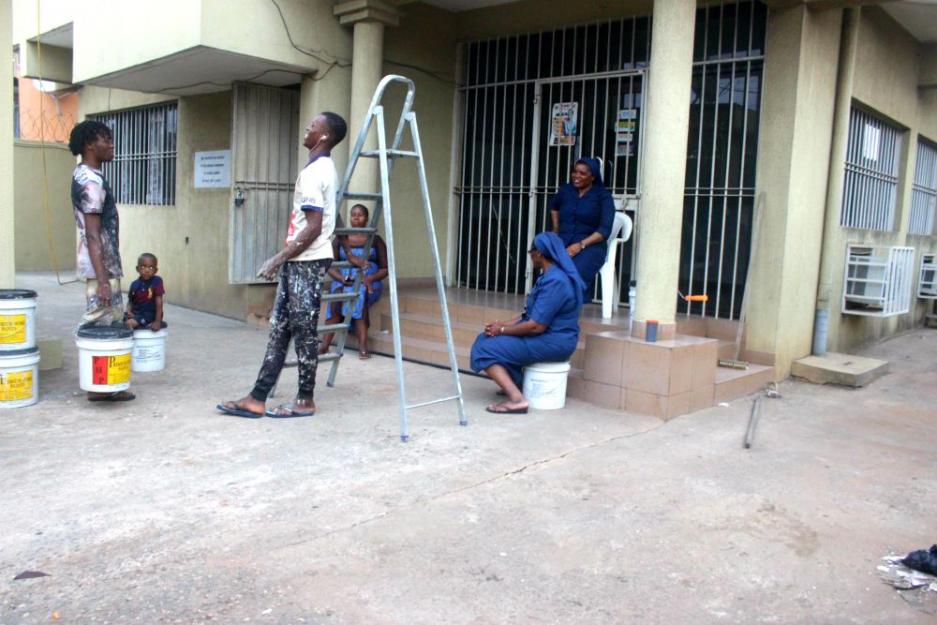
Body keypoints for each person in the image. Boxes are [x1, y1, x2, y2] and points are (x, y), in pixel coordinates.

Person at [217, 112, 347, 419]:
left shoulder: (316, 172)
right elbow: (329, 218)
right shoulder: (321, 168)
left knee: (303, 332)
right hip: (302, 259)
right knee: (280, 330)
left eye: (313, 125)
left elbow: (314, 226)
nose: (308, 128)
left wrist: (278, 258)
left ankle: (305, 400)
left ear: (325, 136)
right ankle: (257, 397)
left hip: (307, 260)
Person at [470, 232, 584, 414]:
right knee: (485, 339)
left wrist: (502, 330)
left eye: (531, 251)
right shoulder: (550, 277)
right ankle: (516, 386)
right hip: (546, 338)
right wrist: (500, 326)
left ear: (539, 253)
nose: (530, 255)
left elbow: (536, 326)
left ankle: (517, 399)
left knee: (483, 349)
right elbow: (528, 315)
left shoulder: (556, 281)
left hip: (553, 342)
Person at [68, 120, 135, 402]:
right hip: (101, 267)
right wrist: (104, 280)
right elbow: (93, 234)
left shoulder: (87, 175)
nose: (112, 145)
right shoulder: (91, 182)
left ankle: (106, 384)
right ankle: (97, 386)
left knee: (109, 322)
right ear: (89, 145)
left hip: (103, 264)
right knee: (97, 322)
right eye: (105, 139)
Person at [319, 204, 388, 359]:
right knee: (338, 297)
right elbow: (329, 265)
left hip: (369, 282)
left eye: (360, 215)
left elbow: (385, 268)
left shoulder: (375, 240)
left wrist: (370, 278)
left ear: (367, 218)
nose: (356, 218)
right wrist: (342, 279)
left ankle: (363, 345)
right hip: (343, 281)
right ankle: (324, 345)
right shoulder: (341, 239)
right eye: (353, 214)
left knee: (359, 294)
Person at [549, 157, 616, 297]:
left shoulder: (603, 196)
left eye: (582, 173)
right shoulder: (566, 190)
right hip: (564, 241)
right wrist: (556, 230)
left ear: (592, 177)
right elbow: (554, 207)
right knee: (551, 271)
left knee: (575, 272)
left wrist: (581, 245)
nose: (576, 176)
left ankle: (567, 312)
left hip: (591, 245)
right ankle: (547, 309)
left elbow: (604, 230)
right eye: (575, 172)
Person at [125, 253, 165, 331]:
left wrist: (157, 321)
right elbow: (130, 301)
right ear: (137, 269)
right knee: (119, 320)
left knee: (129, 323)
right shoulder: (134, 284)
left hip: (149, 314)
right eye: (143, 267)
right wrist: (128, 311)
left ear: (155, 270)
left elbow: (159, 303)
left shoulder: (157, 281)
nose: (147, 270)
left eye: (151, 267)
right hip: (136, 313)